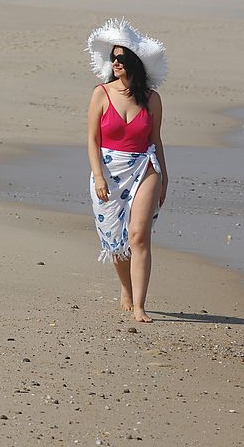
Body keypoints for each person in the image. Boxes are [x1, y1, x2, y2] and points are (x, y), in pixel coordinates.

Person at [85, 18, 168, 323]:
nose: (115, 62)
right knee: (114, 241)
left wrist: (165, 177)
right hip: (108, 170)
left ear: (134, 62)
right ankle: (126, 289)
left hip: (145, 168)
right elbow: (92, 139)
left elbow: (156, 139)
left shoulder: (152, 100)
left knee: (138, 236)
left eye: (121, 57)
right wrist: (98, 176)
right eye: (113, 58)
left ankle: (140, 306)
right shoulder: (101, 94)